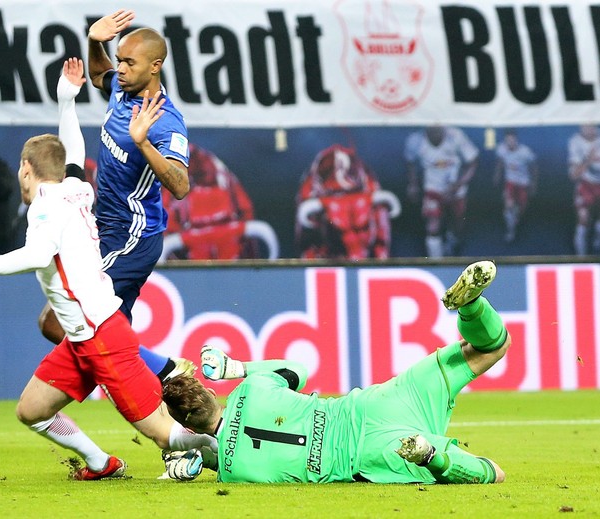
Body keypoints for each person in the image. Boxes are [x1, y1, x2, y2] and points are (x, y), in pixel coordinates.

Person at [0, 85, 216, 479]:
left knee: (166, 436)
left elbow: (36, 256)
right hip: (83, 339)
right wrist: (66, 101)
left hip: (103, 338)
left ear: (25, 168)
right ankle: (102, 463)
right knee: (31, 410)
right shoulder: (76, 188)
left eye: (20, 169)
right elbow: (74, 151)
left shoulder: (44, 209)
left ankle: (221, 450)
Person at [161, 260, 508, 485]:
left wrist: (197, 463)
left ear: (189, 425)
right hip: (372, 407)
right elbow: (298, 370)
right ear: (210, 391)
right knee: (492, 347)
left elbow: (230, 450)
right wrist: (237, 368)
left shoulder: (234, 472)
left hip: (369, 453)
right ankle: (471, 307)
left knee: (491, 473)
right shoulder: (251, 389)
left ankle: (434, 458)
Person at [37, 10, 190, 381]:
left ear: (155, 67)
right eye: (119, 59)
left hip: (132, 236)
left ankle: (168, 372)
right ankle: (179, 407)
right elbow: (98, 74)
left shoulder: (164, 121)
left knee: (56, 321)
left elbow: (181, 186)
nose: (119, 68)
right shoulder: (123, 88)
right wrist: (94, 40)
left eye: (129, 62)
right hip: (102, 228)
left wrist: (143, 143)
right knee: (108, 334)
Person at [296, 144, 399, 260]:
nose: (351, 240)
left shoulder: (371, 188)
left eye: (363, 228)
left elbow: (382, 242)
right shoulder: (308, 194)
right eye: (339, 232)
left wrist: (381, 255)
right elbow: (307, 247)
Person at [161, 143, 256, 260]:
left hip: (230, 246)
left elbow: (246, 212)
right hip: (189, 251)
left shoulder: (224, 179)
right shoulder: (169, 187)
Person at [404, 125, 479, 258]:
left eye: (438, 130)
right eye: (432, 130)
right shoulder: (415, 140)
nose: (435, 134)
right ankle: (435, 261)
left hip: (456, 189)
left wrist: (458, 185)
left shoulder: (456, 136)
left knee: (457, 223)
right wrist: (413, 184)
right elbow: (410, 163)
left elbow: (473, 162)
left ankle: (452, 243)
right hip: (433, 188)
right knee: (432, 226)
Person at [493, 130, 538, 244]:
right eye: (508, 140)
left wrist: (533, 183)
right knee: (509, 206)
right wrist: (497, 175)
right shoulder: (501, 149)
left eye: (512, 140)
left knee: (519, 210)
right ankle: (510, 231)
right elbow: (500, 162)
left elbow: (533, 168)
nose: (510, 143)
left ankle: (515, 223)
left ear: (516, 140)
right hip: (510, 182)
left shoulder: (525, 152)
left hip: (523, 183)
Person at [567, 124, 600, 256]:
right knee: (583, 218)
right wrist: (588, 160)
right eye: (585, 125)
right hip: (586, 184)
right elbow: (573, 175)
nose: (589, 128)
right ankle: (581, 259)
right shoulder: (575, 142)